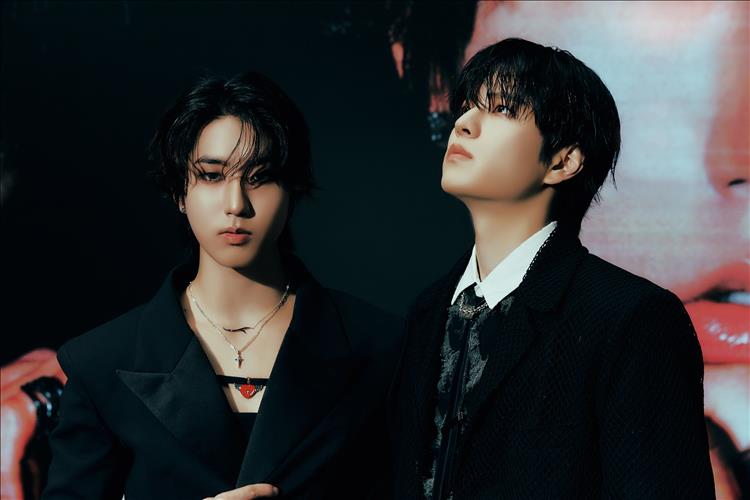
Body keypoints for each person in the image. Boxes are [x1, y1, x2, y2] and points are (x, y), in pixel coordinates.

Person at [387, 2, 748, 497]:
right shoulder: (427, 313)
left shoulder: (631, 317)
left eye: (502, 109)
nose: (465, 125)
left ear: (563, 160)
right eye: (466, 106)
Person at [42, 71, 402, 499]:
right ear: (180, 192)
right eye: (212, 176)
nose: (236, 204)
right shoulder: (101, 362)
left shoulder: (378, 348)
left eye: (260, 176)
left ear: (292, 190)